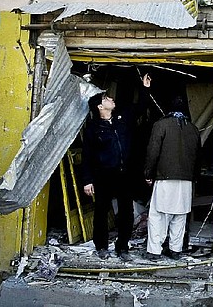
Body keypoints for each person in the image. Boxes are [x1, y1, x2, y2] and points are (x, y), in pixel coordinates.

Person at [81, 74, 152, 261]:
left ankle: (123, 248)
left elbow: (141, 108)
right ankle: (102, 246)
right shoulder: (93, 129)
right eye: (106, 99)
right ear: (99, 107)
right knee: (102, 212)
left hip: (124, 174)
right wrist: (87, 180)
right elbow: (87, 156)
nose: (111, 99)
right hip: (103, 175)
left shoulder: (122, 118)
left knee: (126, 213)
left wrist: (145, 89)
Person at [143, 95, 200, 260]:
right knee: (180, 216)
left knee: (158, 216)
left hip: (165, 178)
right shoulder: (193, 129)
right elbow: (198, 157)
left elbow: (152, 152)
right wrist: (194, 178)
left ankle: (154, 251)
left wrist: (148, 173)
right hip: (187, 180)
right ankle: (175, 250)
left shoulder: (160, 125)